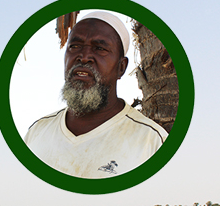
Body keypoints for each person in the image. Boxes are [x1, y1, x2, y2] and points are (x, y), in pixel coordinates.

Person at [24, 11, 168, 178]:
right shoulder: (37, 132)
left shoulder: (150, 141)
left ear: (121, 67)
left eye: (100, 48)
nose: (84, 57)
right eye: (75, 46)